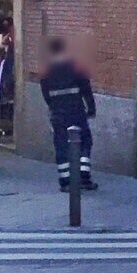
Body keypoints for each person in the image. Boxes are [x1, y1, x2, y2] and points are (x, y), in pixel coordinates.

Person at [40, 37, 97, 192]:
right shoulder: (76, 66)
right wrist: (91, 108)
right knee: (85, 142)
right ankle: (84, 177)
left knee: (61, 145)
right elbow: (86, 88)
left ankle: (65, 181)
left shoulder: (46, 71)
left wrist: (53, 107)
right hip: (76, 111)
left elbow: (46, 94)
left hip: (58, 113)